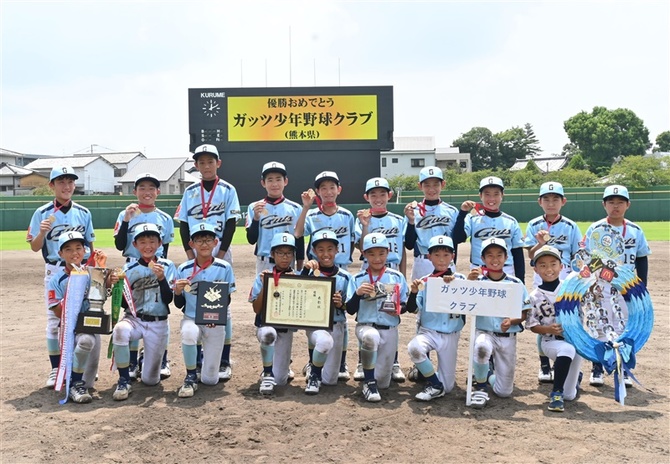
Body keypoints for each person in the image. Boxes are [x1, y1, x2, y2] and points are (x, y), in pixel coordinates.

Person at [175, 144, 241, 382]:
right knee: (195, 301)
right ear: (196, 166)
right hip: (196, 252)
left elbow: (232, 223)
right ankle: (200, 355)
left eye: (210, 162)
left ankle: (224, 360)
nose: (206, 166)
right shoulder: (190, 191)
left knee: (223, 307)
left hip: (219, 251)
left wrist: (221, 254)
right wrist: (189, 254)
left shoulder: (227, 189)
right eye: (201, 162)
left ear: (218, 163)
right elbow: (183, 224)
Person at [27, 166, 95, 388]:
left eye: (70, 182)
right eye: (61, 182)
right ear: (52, 186)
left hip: (79, 271)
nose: (67, 187)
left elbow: (90, 249)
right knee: (55, 320)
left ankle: (82, 368)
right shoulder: (42, 212)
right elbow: (35, 248)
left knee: (85, 316)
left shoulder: (84, 212)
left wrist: (92, 271)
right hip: (55, 270)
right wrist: (42, 232)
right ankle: (56, 368)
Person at [584, 185, 650, 387]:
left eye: (620, 202)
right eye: (611, 202)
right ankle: (597, 367)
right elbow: (587, 259)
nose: (615, 206)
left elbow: (641, 259)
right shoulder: (595, 229)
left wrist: (642, 288)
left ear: (628, 205)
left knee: (624, 327)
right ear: (604, 205)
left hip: (627, 288)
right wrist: (596, 278)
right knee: (599, 326)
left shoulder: (635, 230)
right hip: (600, 286)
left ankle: (624, 368)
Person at [113, 172, 175, 380]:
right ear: (135, 191)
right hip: (132, 265)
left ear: (158, 192)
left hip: (156, 266)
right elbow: (120, 244)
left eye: (151, 188)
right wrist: (126, 221)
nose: (147, 192)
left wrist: (160, 272)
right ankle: (130, 360)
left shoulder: (165, 218)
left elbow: (164, 248)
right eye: (142, 188)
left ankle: (161, 358)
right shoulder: (126, 213)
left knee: (158, 311)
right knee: (132, 313)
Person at [295, 171, 355, 381]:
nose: (328, 192)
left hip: (341, 267)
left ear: (339, 190)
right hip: (318, 270)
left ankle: (341, 363)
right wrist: (305, 207)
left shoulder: (347, 215)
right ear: (317, 192)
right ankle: (313, 362)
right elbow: (299, 233)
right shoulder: (312, 215)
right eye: (323, 188)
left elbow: (352, 240)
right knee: (314, 315)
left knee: (341, 318)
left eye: (332, 187)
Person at [47, 232, 116, 403]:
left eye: (78, 248)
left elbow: (102, 295)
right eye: (68, 249)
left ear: (85, 251)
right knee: (86, 341)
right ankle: (74, 384)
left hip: (92, 326)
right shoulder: (57, 279)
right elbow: (56, 310)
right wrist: (74, 295)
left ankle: (78, 378)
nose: (74, 253)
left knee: (90, 382)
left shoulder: (91, 272)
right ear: (60, 254)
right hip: (71, 330)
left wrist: (106, 277)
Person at [524, 181, 582, 383]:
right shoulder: (533, 225)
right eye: (546, 199)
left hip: (565, 276)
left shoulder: (571, 226)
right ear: (539, 202)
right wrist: (540, 244)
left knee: (567, 320)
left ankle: (568, 361)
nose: (551, 203)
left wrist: (577, 280)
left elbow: (578, 255)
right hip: (541, 275)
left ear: (563, 201)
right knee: (543, 319)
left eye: (555, 199)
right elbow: (530, 256)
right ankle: (544, 365)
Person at [111, 223, 177, 401]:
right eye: (142, 242)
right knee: (120, 330)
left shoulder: (168, 266)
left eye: (152, 241)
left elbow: (169, 299)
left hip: (158, 322)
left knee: (150, 381)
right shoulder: (128, 270)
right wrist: (116, 286)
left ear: (159, 243)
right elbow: (125, 304)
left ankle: (143, 360)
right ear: (135, 245)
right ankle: (124, 379)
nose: (148, 246)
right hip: (135, 320)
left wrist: (162, 278)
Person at [173, 223, 236, 398]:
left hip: (215, 322)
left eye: (208, 239)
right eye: (199, 240)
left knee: (210, 380)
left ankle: (205, 365)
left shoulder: (224, 268)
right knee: (188, 332)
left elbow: (227, 299)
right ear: (191, 244)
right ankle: (190, 376)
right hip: (191, 318)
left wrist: (214, 314)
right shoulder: (184, 269)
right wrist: (177, 291)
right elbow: (179, 304)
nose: (204, 244)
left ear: (216, 242)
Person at [354, 177, 408, 382]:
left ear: (389, 196)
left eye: (382, 194)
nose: (378, 198)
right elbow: (361, 248)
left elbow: (401, 250)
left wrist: (402, 274)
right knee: (366, 315)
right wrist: (365, 225)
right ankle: (362, 362)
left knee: (390, 316)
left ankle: (394, 363)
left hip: (392, 271)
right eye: (373, 195)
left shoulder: (397, 220)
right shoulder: (361, 218)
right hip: (369, 270)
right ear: (366, 197)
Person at [345, 233, 409, 402]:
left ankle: (375, 380)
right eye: (371, 253)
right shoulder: (358, 278)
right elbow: (350, 310)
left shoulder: (397, 277)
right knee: (370, 337)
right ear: (364, 254)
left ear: (388, 252)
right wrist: (358, 294)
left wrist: (398, 309)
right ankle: (368, 382)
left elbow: (405, 306)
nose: (377, 258)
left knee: (384, 383)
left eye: (381, 253)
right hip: (366, 326)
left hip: (389, 329)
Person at [406, 235, 471, 401]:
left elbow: (473, 303)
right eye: (437, 255)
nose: (441, 259)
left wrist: (457, 284)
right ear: (429, 257)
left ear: (453, 257)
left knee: (448, 387)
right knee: (415, 348)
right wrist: (413, 293)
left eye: (446, 255)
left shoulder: (461, 279)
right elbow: (412, 309)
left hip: (451, 334)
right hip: (429, 332)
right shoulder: (424, 281)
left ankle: (433, 379)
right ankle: (434, 383)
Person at [468, 238, 531, 408]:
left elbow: (525, 311)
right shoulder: (477, 282)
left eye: (499, 255)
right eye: (489, 255)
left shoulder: (515, 283)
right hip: (484, 332)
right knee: (481, 348)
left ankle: (487, 373)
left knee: (504, 392)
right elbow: (462, 301)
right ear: (482, 259)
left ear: (506, 257)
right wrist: (468, 283)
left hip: (507, 337)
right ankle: (480, 388)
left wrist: (512, 321)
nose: (494, 259)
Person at [525, 245, 583, 412]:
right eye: (542, 265)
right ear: (535, 269)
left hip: (576, 342)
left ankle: (570, 382)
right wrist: (547, 329)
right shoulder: (534, 296)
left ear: (561, 266)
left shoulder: (571, 289)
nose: (548, 269)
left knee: (570, 395)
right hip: (551, 342)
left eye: (553, 264)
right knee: (566, 349)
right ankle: (556, 393)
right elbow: (532, 325)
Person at [299, 230, 354, 394]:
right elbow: (297, 297)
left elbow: (350, 307)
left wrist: (341, 304)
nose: (325, 253)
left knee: (330, 380)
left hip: (336, 325)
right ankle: (314, 375)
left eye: (330, 249)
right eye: (320, 249)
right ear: (314, 252)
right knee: (323, 342)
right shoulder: (308, 272)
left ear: (337, 250)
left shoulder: (345, 276)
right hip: (315, 325)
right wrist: (304, 272)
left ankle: (314, 364)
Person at [249, 233, 299, 395]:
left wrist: (296, 285)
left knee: (281, 380)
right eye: (280, 253)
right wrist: (265, 286)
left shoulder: (298, 278)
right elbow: (256, 309)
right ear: (272, 254)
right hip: (266, 325)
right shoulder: (263, 276)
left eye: (288, 253)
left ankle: (280, 367)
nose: (285, 257)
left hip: (285, 329)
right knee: (268, 335)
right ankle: (267, 372)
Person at [451, 176, 525, 282]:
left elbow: (518, 253)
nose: (491, 199)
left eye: (496, 194)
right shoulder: (472, 218)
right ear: (480, 196)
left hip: (506, 271)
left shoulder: (511, 221)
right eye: (487, 194)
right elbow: (458, 238)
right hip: (479, 271)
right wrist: (462, 213)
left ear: (502, 195)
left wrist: (521, 282)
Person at [246, 161, 305, 274]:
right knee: (263, 291)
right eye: (270, 180)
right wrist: (256, 218)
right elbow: (251, 239)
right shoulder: (254, 207)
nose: (274, 184)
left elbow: (299, 239)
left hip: (288, 261)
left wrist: (299, 266)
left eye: (278, 179)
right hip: (264, 262)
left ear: (285, 181)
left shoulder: (295, 208)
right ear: (263, 183)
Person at [403, 166, 459, 280]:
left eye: (435, 184)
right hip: (423, 261)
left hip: (446, 262)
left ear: (443, 184)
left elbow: (455, 241)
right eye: (427, 185)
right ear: (420, 186)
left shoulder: (452, 211)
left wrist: (453, 262)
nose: (431, 189)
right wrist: (411, 221)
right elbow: (409, 244)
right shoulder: (413, 211)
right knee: (420, 296)